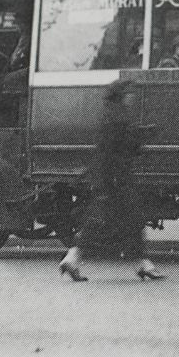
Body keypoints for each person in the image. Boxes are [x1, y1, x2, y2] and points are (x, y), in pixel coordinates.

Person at [59, 78, 163, 282]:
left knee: (119, 221)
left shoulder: (113, 114)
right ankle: (141, 263)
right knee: (124, 220)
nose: (132, 97)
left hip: (113, 177)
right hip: (115, 178)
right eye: (129, 94)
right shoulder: (117, 118)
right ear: (121, 96)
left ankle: (74, 258)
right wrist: (141, 137)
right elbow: (115, 150)